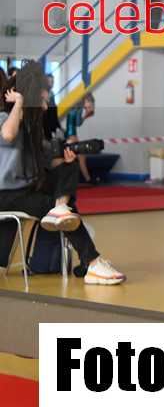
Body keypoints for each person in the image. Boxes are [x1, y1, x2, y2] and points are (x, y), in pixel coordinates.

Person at [0, 61, 125, 284]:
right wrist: (19, 102)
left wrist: (66, 160)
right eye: (41, 99)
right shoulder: (4, 119)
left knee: (68, 171)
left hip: (24, 192)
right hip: (6, 195)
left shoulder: (32, 131)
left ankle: (62, 210)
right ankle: (92, 262)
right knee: (64, 211)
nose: (45, 105)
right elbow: (8, 135)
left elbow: (51, 161)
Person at [65, 93, 95, 183]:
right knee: (81, 157)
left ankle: (87, 179)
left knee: (81, 157)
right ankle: (88, 180)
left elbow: (75, 123)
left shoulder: (76, 106)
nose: (88, 107)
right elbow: (78, 123)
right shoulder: (79, 108)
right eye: (89, 105)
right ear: (86, 100)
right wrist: (86, 115)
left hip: (70, 135)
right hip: (71, 136)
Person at [43, 74, 62, 141]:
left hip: (51, 124)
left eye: (53, 82)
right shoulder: (42, 93)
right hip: (45, 125)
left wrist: (58, 126)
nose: (52, 83)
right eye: (50, 81)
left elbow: (54, 112)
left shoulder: (52, 93)